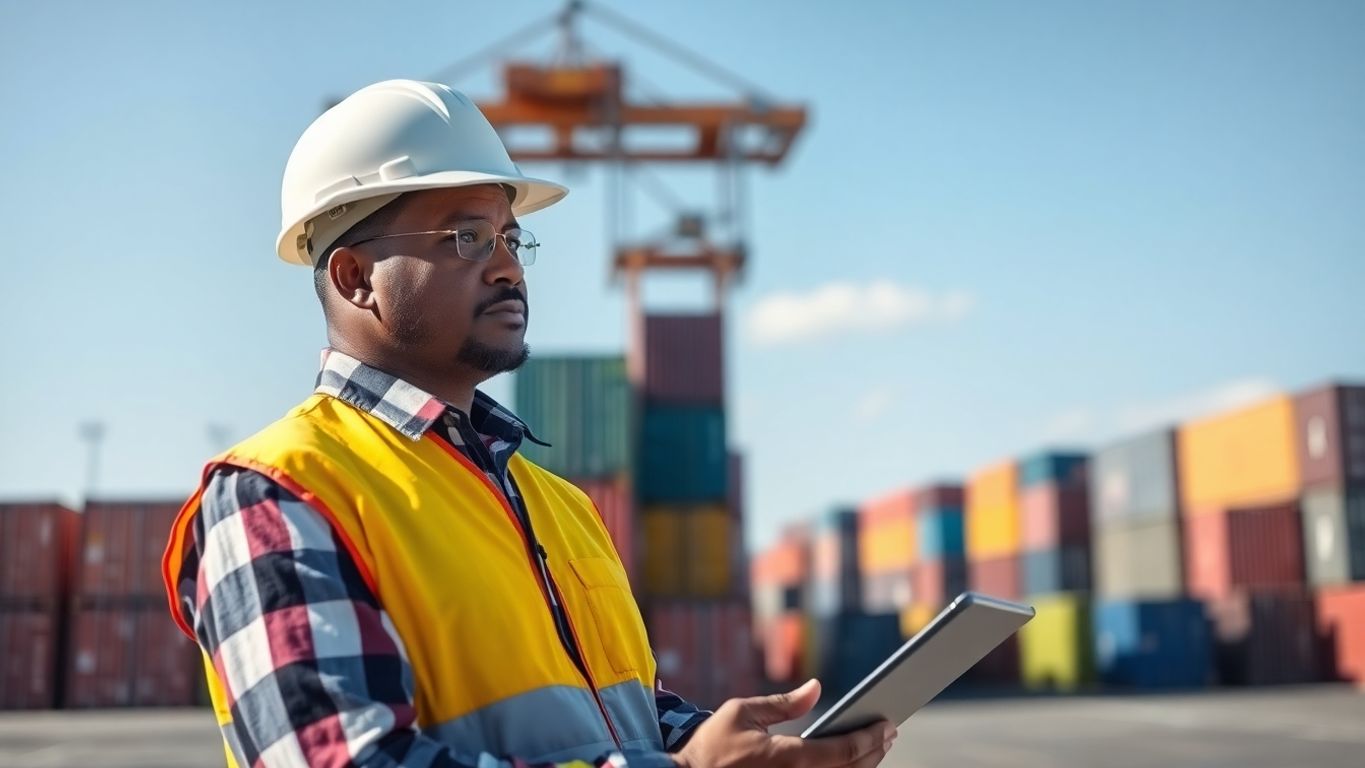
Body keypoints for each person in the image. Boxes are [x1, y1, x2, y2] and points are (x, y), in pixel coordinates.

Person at [162, 79, 897, 768]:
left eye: (512, 240)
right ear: (356, 279)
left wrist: (720, 741)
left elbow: (611, 716)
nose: (509, 268)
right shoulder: (280, 494)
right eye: (466, 239)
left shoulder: (558, 503)